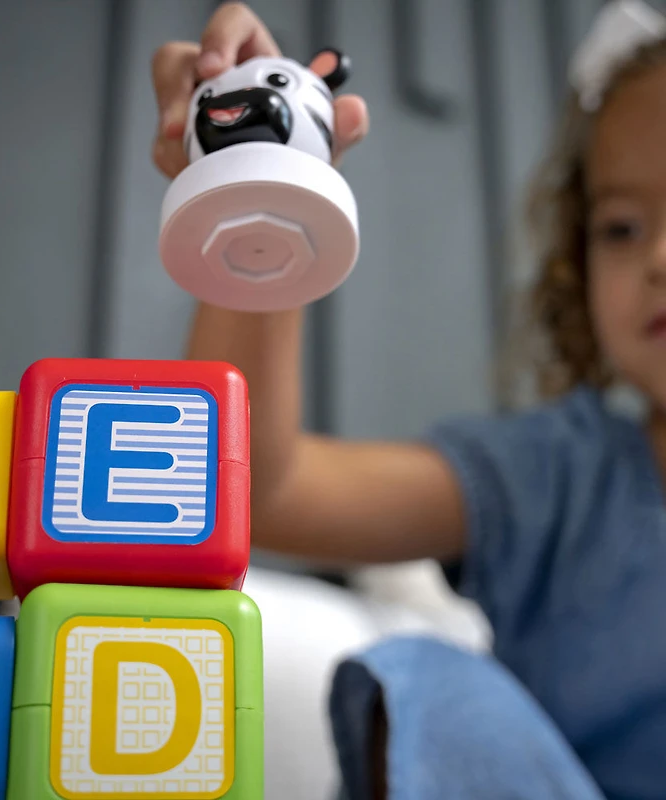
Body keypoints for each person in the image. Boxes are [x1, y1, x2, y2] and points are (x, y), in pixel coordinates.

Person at [152, 1, 666, 798]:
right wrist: (264, 184)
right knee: (438, 688)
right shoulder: (561, 474)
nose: (659, 258)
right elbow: (258, 490)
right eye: (623, 228)